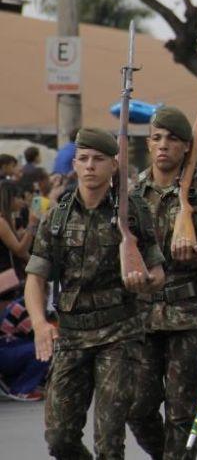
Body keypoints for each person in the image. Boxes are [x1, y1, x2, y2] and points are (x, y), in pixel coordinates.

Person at [24, 127, 165, 459]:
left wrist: (143, 281)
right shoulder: (55, 219)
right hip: (72, 335)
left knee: (109, 439)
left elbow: (158, 272)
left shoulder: (132, 213)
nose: (90, 166)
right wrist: (40, 323)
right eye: (83, 159)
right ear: (73, 164)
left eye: (98, 160)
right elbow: (35, 277)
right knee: (59, 437)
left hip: (119, 334)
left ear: (113, 165)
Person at [127, 106, 197, 459]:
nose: (163, 146)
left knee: (181, 414)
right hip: (142, 317)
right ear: (148, 143)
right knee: (137, 407)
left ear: (186, 147)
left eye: (172, 140)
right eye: (157, 138)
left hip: (188, 315)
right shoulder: (131, 194)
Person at [0, 298, 49, 401]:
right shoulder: (27, 306)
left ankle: (16, 384)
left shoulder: (20, 303)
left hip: (8, 349)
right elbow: (37, 333)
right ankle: (22, 389)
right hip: (5, 351)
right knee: (43, 349)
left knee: (34, 347)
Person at [0, 180, 37, 305]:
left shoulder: (8, 219)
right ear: (10, 198)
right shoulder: (1, 222)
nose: (22, 202)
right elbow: (20, 251)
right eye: (18, 197)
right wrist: (32, 224)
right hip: (5, 281)